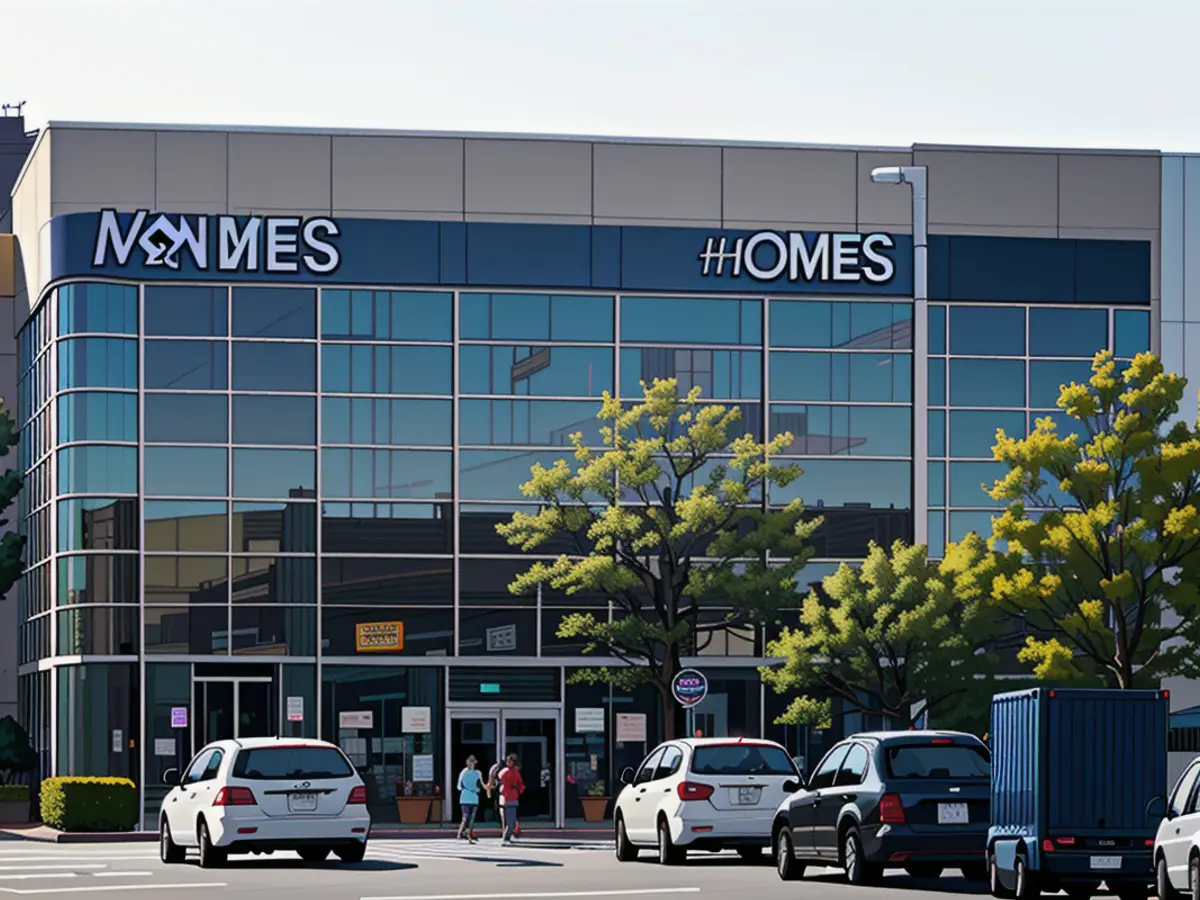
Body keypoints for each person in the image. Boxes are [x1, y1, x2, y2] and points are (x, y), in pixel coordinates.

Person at [497, 753, 525, 844]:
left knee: (512, 822)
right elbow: (501, 782)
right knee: (509, 821)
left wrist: (520, 790)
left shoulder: (515, 771)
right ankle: (505, 838)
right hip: (506, 797)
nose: (508, 762)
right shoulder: (505, 771)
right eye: (507, 760)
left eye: (510, 760)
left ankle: (507, 837)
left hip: (513, 797)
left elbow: (520, 783)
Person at [456, 755, 483, 842]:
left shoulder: (476, 773)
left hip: (470, 798)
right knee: (467, 817)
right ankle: (461, 833)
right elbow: (460, 786)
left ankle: (465, 833)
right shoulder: (467, 772)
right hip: (469, 797)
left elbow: (460, 786)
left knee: (469, 817)